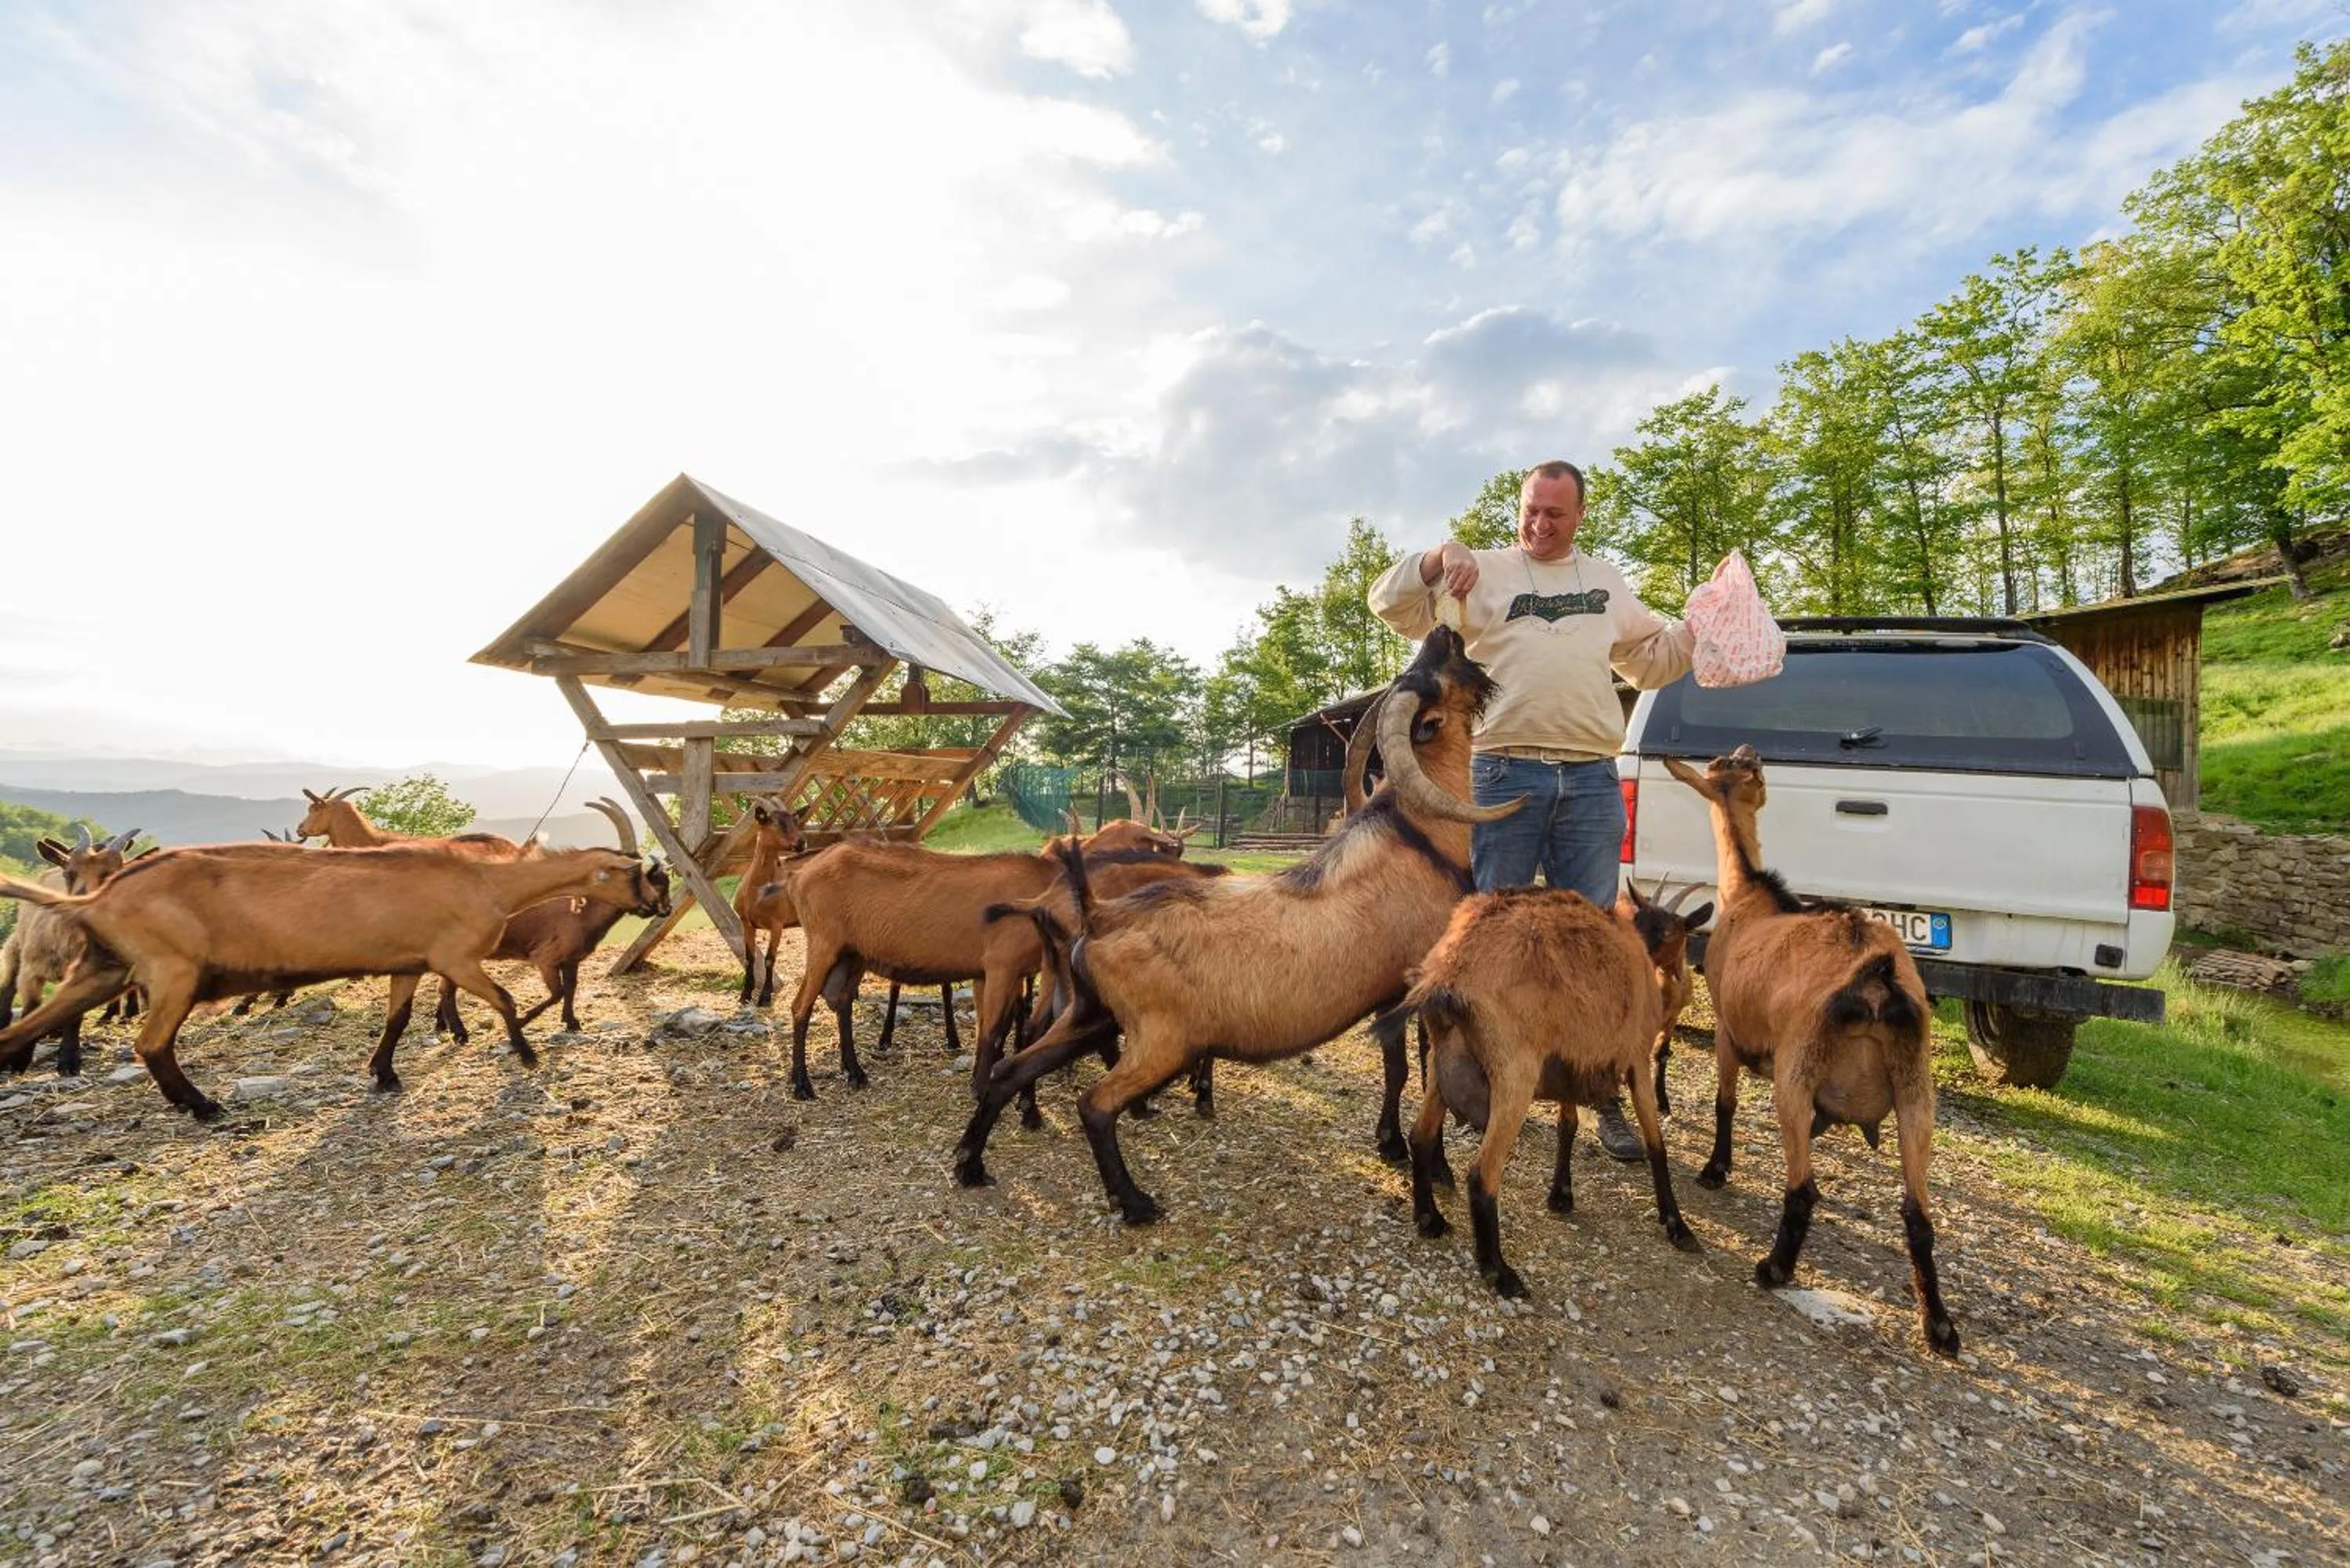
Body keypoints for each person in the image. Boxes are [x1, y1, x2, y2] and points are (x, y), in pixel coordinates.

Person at [1368, 460, 1694, 1159]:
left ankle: (1598, 1087)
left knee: (1596, 941)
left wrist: (1697, 629)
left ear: (1580, 516)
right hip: (1502, 767)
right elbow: (1388, 605)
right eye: (1530, 511)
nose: (1539, 525)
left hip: (1589, 777)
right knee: (1489, 928)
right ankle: (1477, 1078)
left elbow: (1647, 662)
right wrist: (1435, 556)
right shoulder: (1477, 572)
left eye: (1555, 514)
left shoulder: (1604, 582)